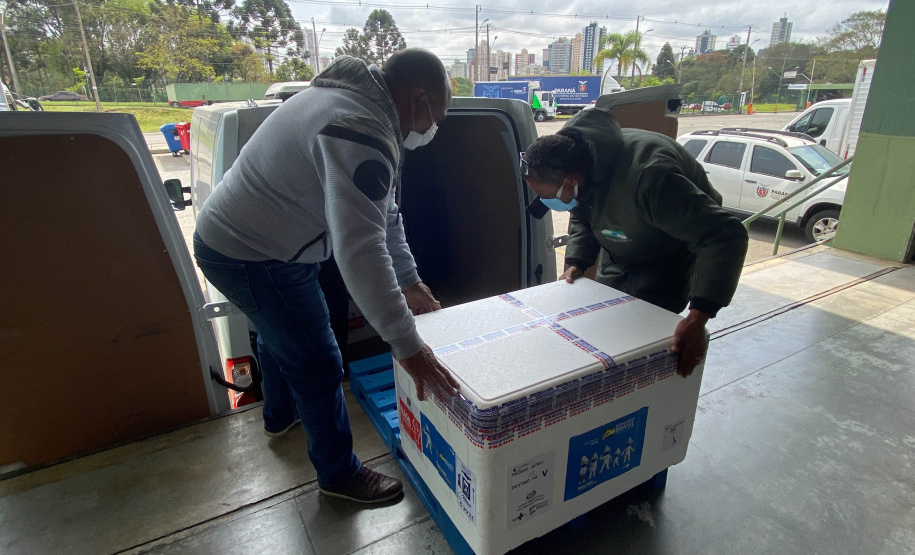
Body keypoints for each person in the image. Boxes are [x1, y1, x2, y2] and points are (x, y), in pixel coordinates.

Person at [193, 49, 460, 504]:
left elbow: (385, 214)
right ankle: (339, 476)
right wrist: (408, 346)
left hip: (243, 239)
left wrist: (410, 280)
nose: (427, 130)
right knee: (318, 359)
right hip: (252, 253)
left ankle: (281, 416)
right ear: (416, 98)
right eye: (433, 116)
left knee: (281, 332)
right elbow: (361, 250)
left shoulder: (349, 100)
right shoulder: (359, 131)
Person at [521, 108, 748, 377]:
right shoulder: (577, 164)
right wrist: (576, 262)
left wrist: (699, 317)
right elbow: (583, 212)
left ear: (571, 180)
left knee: (649, 341)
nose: (545, 200)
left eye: (546, 194)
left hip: (667, 252)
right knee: (607, 331)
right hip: (622, 247)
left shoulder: (650, 178)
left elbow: (723, 235)